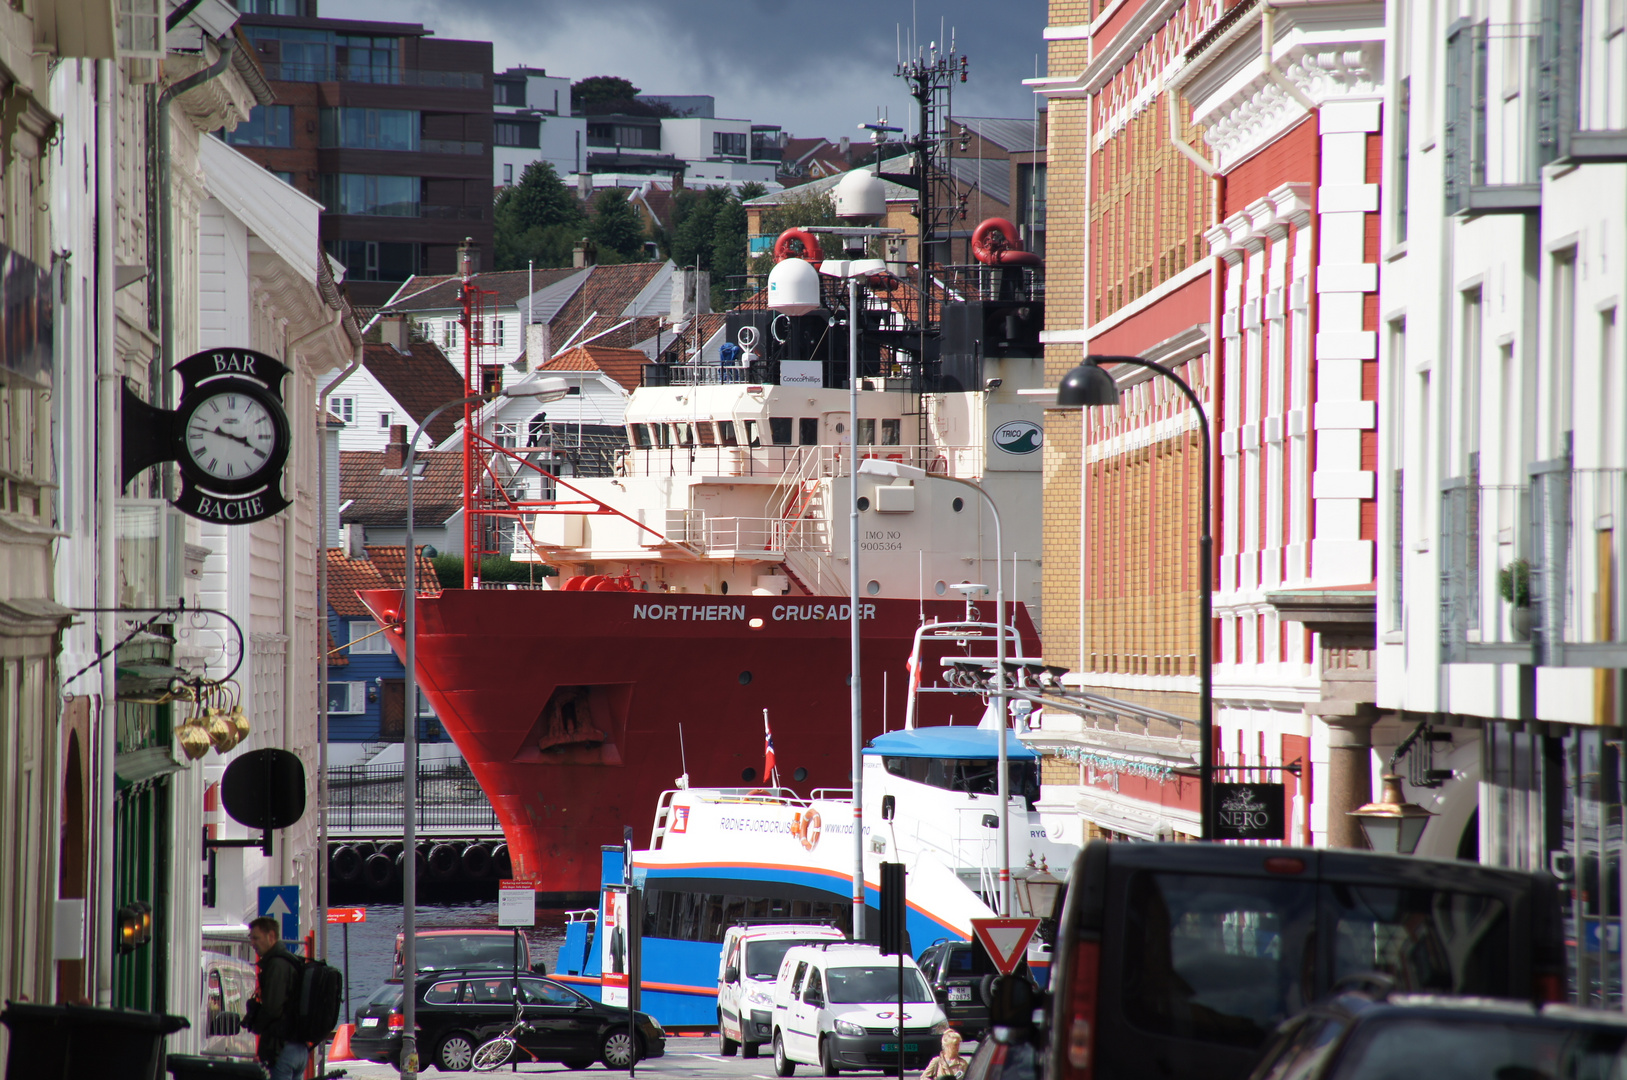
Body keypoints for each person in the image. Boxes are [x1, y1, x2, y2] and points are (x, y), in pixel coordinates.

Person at [245, 916, 308, 1080]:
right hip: (298, 1047)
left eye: (256, 938)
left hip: (282, 1049)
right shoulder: (290, 961)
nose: (253, 943)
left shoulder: (276, 965)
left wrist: (257, 1025)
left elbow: (273, 1008)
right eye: (250, 938)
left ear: (271, 936)